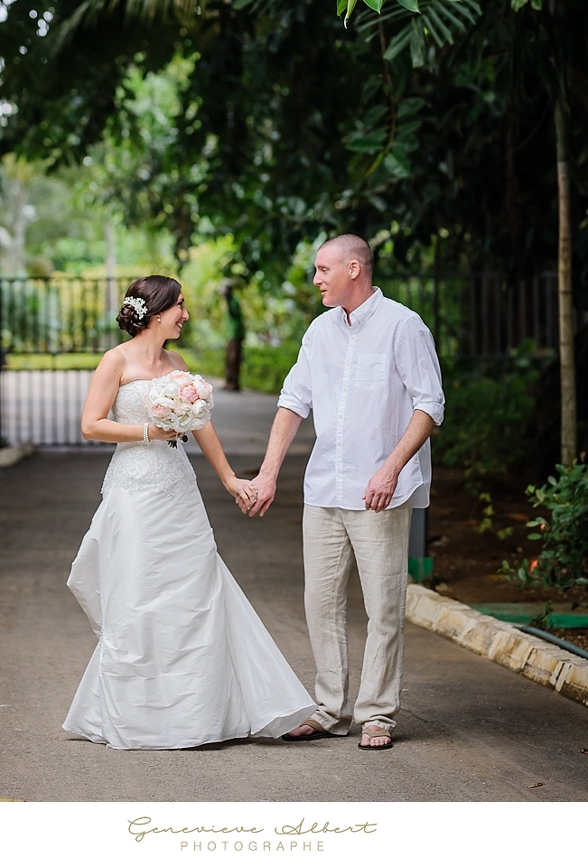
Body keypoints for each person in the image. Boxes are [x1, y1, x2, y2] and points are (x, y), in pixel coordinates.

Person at [62, 274, 315, 751]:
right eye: (180, 306)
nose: (186, 314)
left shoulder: (177, 364)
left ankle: (238, 709)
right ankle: (139, 716)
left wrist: (229, 479)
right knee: (139, 595)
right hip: (134, 490)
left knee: (202, 590)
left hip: (178, 488)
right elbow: (91, 425)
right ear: (156, 311)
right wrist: (147, 435)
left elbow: (201, 427)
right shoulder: (115, 360)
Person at [244, 235, 444, 750]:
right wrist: (267, 474)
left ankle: (377, 714)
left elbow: (430, 405)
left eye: (322, 270)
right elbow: (294, 401)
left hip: (379, 492)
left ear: (353, 269)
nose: (316, 280)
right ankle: (331, 709)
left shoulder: (404, 325)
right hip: (324, 489)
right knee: (321, 601)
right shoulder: (319, 331)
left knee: (384, 607)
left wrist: (391, 469)